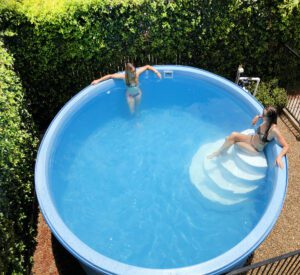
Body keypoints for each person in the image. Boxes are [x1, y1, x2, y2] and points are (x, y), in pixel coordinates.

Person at [207, 106, 289, 169]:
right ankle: (219, 152)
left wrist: (279, 157)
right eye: (262, 113)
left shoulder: (274, 130)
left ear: (270, 118)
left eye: (264, 115)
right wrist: (258, 116)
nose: (262, 115)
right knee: (233, 135)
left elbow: (286, 146)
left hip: (255, 148)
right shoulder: (265, 120)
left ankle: (222, 151)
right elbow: (258, 120)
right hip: (250, 138)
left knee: (235, 143)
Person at [91, 63, 161, 114]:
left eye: (134, 71)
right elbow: (110, 76)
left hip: (138, 93)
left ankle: (137, 122)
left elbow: (147, 66)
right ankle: (133, 120)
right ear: (128, 72)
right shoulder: (124, 77)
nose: (134, 73)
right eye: (132, 72)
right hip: (129, 95)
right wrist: (98, 80)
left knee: (137, 109)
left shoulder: (137, 73)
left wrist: (156, 72)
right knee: (132, 111)